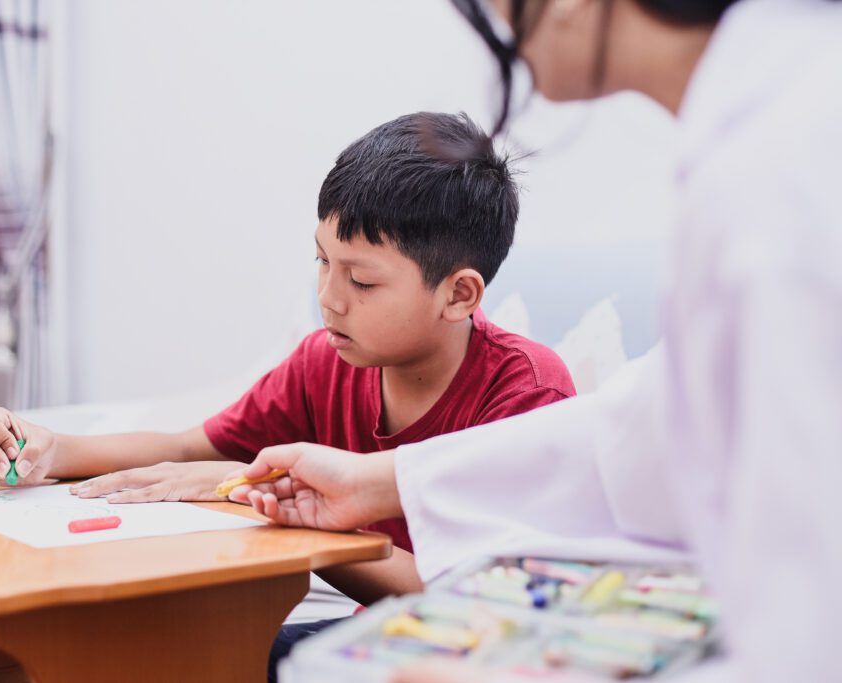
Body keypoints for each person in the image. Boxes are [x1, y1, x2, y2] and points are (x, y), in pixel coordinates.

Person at [225, 1, 842, 681]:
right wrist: (380, 482)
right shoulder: (774, 134)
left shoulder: (787, 183)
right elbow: (651, 427)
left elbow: (805, 627)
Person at [0, 111, 575, 662]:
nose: (328, 298)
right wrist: (52, 449)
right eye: (321, 261)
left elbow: (503, 605)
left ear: (459, 294)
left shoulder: (527, 396)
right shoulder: (325, 362)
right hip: (367, 638)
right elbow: (188, 450)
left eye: (362, 282)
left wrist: (311, 524)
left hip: (479, 653)